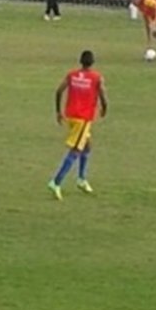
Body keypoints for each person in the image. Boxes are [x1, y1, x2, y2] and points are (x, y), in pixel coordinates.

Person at [48, 50, 108, 201]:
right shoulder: (96, 78)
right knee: (75, 151)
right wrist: (104, 109)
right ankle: (56, 181)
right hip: (83, 119)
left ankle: (81, 179)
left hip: (71, 116)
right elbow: (103, 96)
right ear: (93, 62)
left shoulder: (72, 75)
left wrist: (58, 112)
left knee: (87, 146)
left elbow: (58, 91)